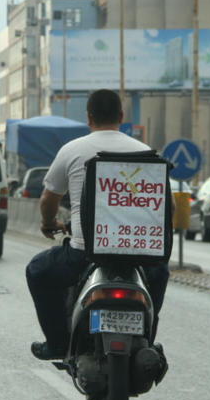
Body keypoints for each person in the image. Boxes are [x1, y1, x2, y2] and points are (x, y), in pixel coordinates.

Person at [26, 89, 172, 360]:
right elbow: (168, 208)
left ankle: (57, 344)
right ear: (121, 116)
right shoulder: (147, 153)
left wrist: (49, 223)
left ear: (89, 118)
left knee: (37, 271)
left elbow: (48, 199)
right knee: (160, 274)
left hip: (84, 254)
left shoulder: (72, 150)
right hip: (141, 257)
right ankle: (148, 341)